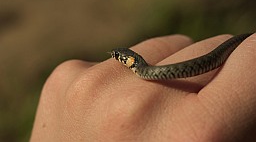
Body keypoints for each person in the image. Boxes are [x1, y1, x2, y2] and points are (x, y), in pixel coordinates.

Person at [30, 34, 256, 142]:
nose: (117, 59)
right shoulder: (142, 70)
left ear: (131, 61)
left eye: (119, 57)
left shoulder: (145, 70)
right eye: (119, 57)